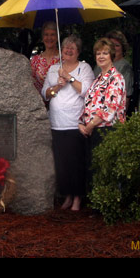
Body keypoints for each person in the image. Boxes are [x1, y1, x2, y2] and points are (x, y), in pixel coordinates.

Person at [41, 34, 94, 211]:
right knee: (62, 164)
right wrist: (57, 86)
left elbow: (86, 91)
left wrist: (70, 78)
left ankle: (78, 197)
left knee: (76, 163)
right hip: (57, 123)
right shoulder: (54, 69)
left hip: (75, 123)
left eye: (73, 48)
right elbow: (45, 94)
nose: (68, 50)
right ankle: (68, 196)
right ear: (61, 50)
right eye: (65, 48)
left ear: (78, 51)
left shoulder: (84, 68)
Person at [79, 38, 126, 192]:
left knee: (108, 171)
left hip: (108, 130)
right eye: (98, 53)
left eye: (105, 53)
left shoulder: (116, 78)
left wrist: (90, 125)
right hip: (93, 131)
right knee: (96, 170)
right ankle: (97, 208)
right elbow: (89, 104)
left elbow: (110, 109)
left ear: (111, 55)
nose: (101, 56)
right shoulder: (97, 79)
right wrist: (82, 123)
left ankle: (108, 209)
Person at [93, 30, 134, 113]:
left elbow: (127, 96)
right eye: (111, 45)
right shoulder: (98, 66)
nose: (114, 48)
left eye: (117, 45)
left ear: (123, 48)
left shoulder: (125, 67)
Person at [30, 21, 61, 106]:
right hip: (39, 106)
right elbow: (30, 83)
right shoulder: (35, 60)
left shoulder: (64, 59)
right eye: (46, 34)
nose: (49, 38)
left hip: (59, 104)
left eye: (52, 34)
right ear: (42, 37)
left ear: (57, 36)